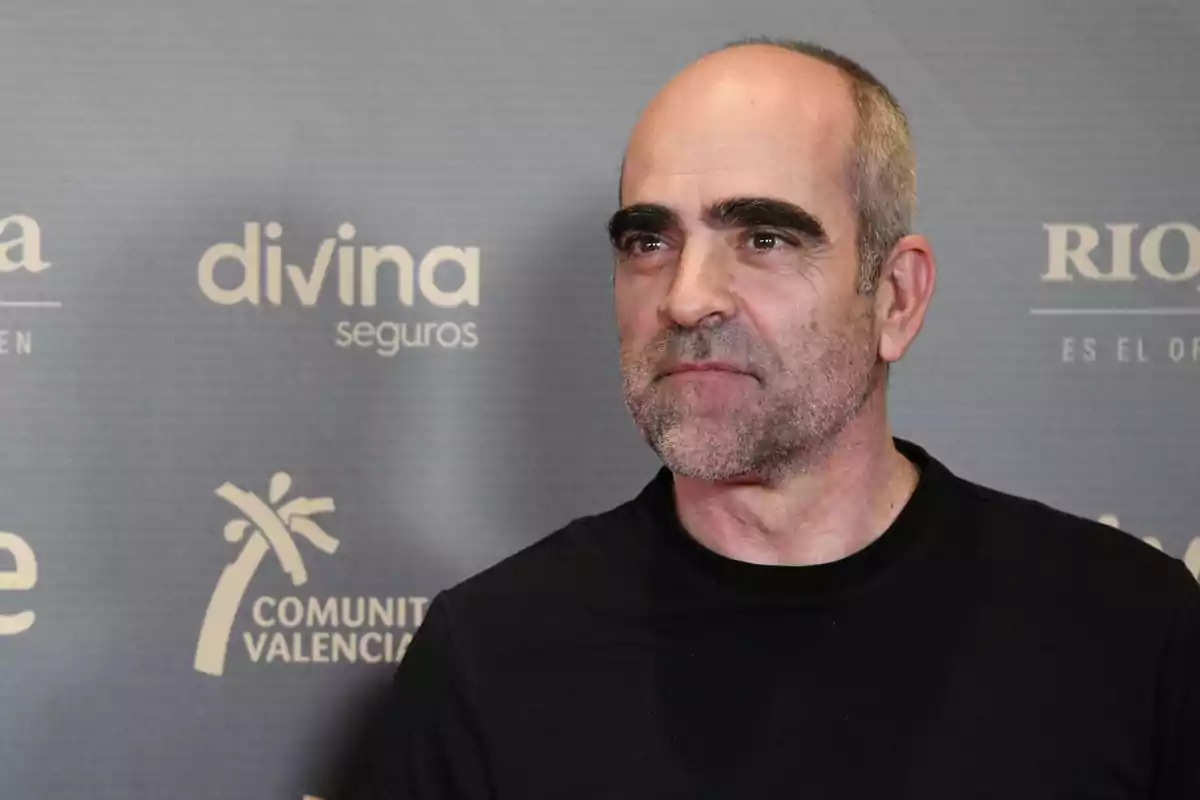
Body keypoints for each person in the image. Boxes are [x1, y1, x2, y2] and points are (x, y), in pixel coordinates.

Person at [354, 38, 1200, 799]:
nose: (686, 298)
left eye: (764, 239)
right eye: (649, 242)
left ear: (895, 299)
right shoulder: (490, 655)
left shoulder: (1132, 631)